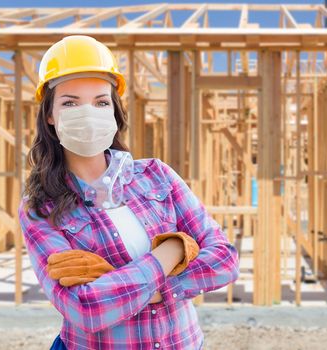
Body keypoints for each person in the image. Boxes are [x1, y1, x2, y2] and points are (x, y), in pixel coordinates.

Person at [18, 35, 240, 350]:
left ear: (114, 111)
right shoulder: (40, 206)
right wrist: (172, 251)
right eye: (70, 102)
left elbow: (225, 259)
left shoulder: (156, 176)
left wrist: (147, 288)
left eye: (100, 101)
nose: (88, 113)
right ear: (50, 115)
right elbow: (87, 310)